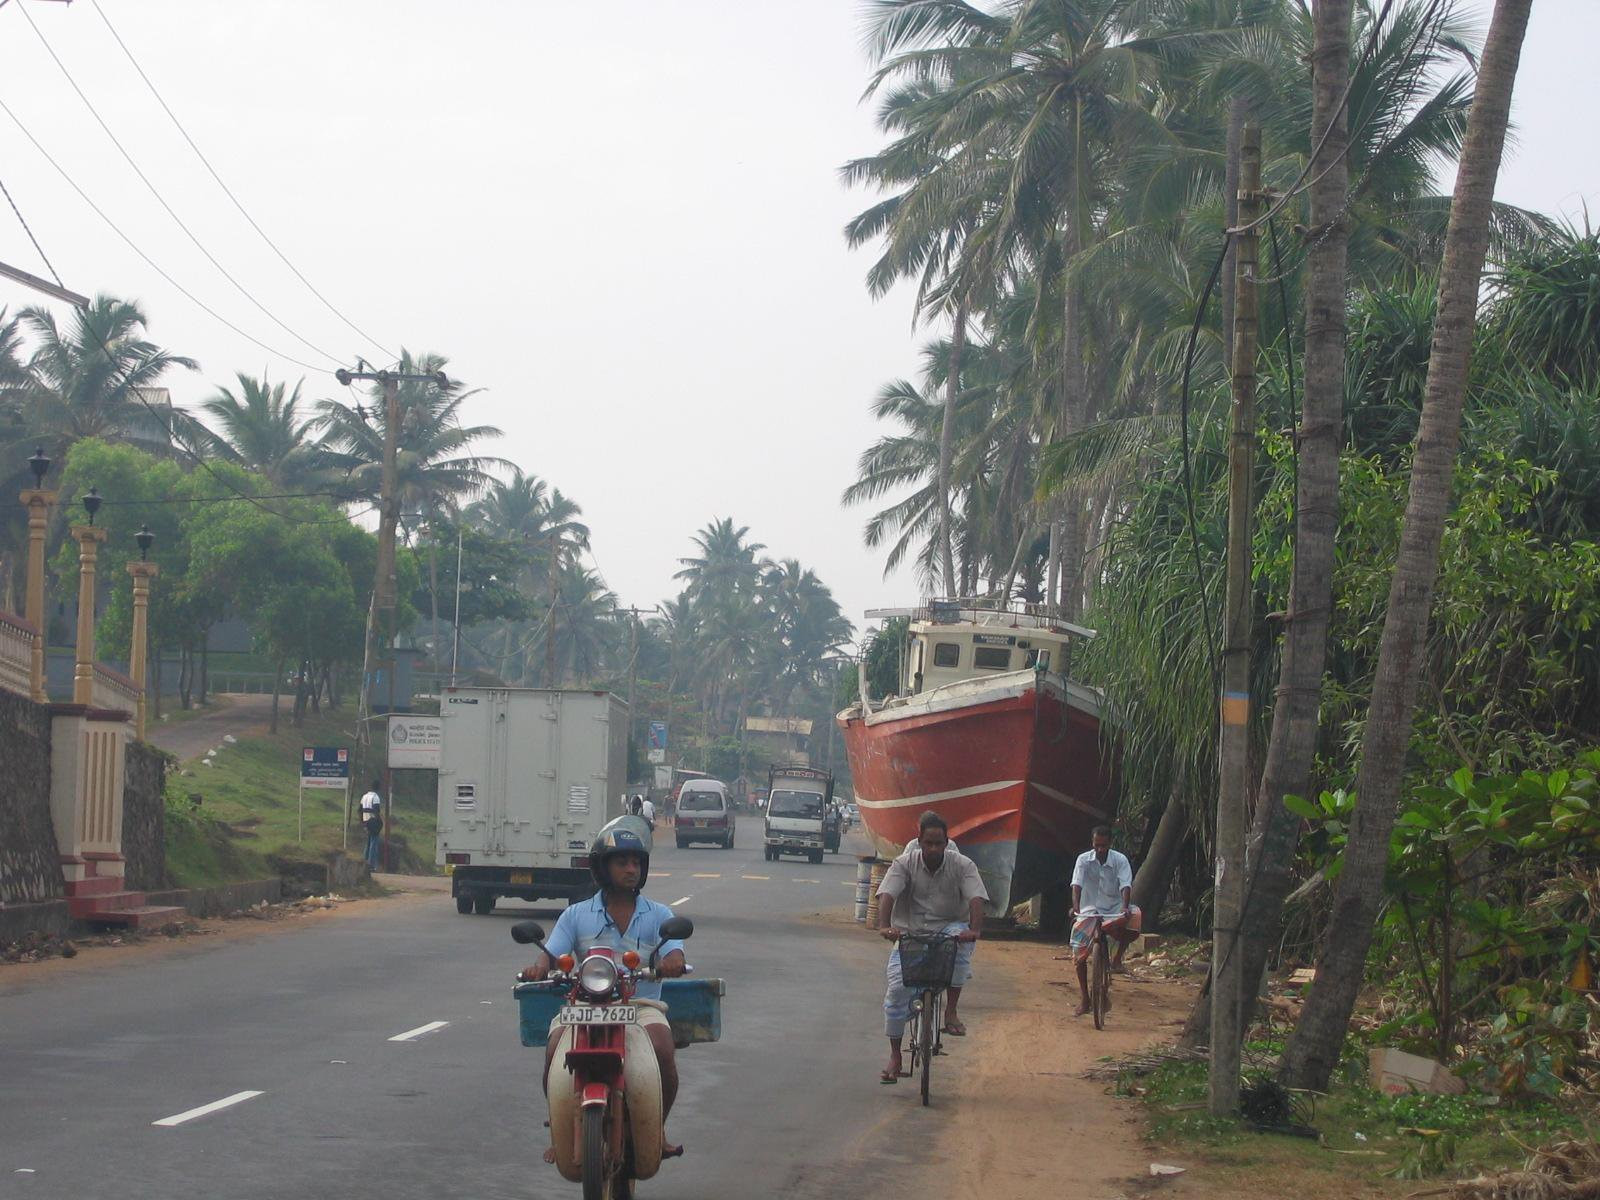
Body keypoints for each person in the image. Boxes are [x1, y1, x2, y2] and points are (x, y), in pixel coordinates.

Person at [521, 816, 688, 1158]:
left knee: (663, 1049)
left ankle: (657, 1129)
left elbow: (675, 952)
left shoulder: (659, 914)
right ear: (602, 867)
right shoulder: (576, 915)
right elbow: (551, 954)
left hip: (641, 1007)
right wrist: (539, 967)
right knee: (553, 1049)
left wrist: (672, 962)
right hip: (584, 1006)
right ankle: (560, 1128)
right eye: (622, 862)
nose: (631, 869)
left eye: (636, 863)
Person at [876, 810, 987, 1084]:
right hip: (910, 932)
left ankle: (951, 1011)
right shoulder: (904, 863)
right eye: (929, 843)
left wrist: (974, 930)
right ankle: (895, 1056)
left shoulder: (962, 864)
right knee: (896, 991)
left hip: (948, 928)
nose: (934, 849)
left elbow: (975, 898)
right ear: (920, 841)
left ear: (947, 843)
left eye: (939, 843)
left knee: (960, 946)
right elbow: (888, 894)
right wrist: (885, 926)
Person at [1069, 824, 1142, 1016]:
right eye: (1097, 845)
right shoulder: (1083, 860)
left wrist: (1124, 907)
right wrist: (1076, 907)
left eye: (1104, 845)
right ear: (1092, 843)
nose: (1100, 849)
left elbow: (1125, 885)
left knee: (1134, 918)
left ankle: (1117, 959)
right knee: (1078, 954)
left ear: (1110, 843)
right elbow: (1076, 884)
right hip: (1089, 909)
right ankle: (1085, 998)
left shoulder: (1120, 860)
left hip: (1113, 908)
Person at [359, 779, 383, 871]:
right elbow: (376, 811)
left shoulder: (364, 796)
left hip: (365, 821)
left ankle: (364, 863)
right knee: (374, 843)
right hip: (372, 821)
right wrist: (379, 822)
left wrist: (362, 822)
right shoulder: (375, 797)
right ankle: (371, 865)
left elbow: (360, 810)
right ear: (378, 788)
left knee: (368, 843)